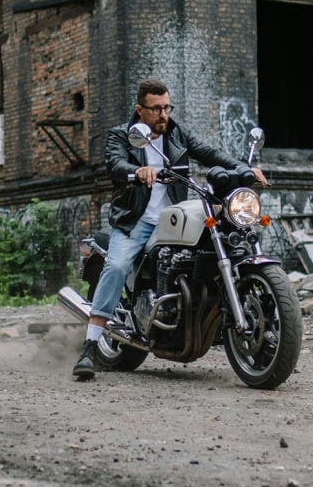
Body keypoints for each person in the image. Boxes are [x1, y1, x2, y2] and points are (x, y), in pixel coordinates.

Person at [73, 78, 268, 381]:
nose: (164, 114)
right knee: (117, 266)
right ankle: (90, 345)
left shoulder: (176, 132)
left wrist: (243, 169)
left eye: (167, 107)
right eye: (156, 109)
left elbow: (209, 153)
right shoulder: (123, 136)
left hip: (173, 216)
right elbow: (114, 164)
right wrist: (136, 171)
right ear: (140, 110)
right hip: (135, 220)